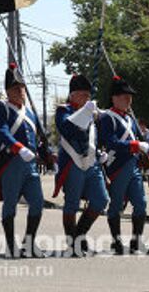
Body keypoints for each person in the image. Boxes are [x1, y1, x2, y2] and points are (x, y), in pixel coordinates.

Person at [53, 74, 109, 256]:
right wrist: (85, 112)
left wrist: (100, 153)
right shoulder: (64, 110)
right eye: (83, 94)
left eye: (88, 95)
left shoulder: (90, 113)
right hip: (72, 163)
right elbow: (67, 130)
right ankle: (73, 243)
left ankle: (80, 235)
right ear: (73, 95)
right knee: (71, 205)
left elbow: (92, 138)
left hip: (92, 164)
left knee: (101, 200)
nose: (87, 98)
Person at [0, 64, 45, 258]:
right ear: (8, 91)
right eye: (16, 88)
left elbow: (38, 138)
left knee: (38, 203)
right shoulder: (2, 110)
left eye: (22, 88)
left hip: (30, 164)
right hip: (12, 162)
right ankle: (10, 245)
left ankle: (29, 242)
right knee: (10, 205)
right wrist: (18, 148)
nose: (20, 91)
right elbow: (2, 131)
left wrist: (48, 156)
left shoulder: (31, 113)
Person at [98, 75, 149, 255]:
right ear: (114, 98)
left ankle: (136, 241)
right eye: (124, 96)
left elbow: (141, 141)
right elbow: (110, 141)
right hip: (117, 167)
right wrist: (135, 146)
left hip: (134, 166)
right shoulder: (108, 118)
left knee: (141, 204)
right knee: (115, 206)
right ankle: (116, 242)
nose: (128, 99)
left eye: (129, 96)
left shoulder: (131, 119)